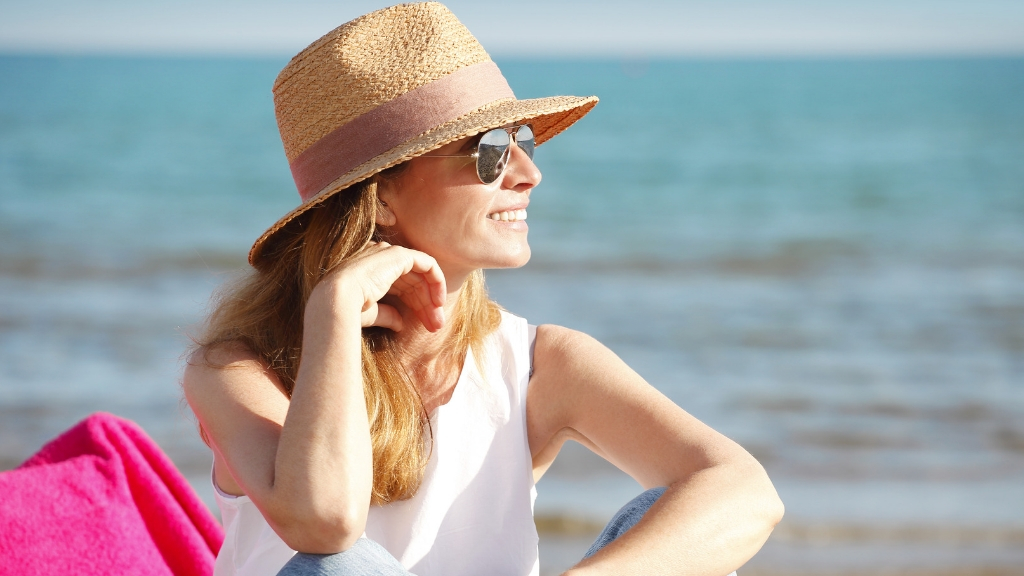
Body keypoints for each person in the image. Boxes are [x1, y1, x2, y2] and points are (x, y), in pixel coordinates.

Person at [183, 3, 784, 576]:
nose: (529, 173)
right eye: (490, 151)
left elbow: (745, 492)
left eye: (522, 140)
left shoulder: (535, 365)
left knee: (677, 526)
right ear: (381, 197)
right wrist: (334, 316)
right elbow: (325, 526)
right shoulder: (237, 372)